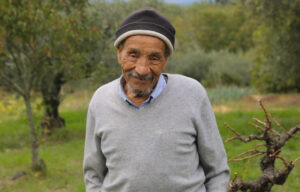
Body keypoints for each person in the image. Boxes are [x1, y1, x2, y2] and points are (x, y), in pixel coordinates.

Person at [83, 8, 230, 192]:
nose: (142, 69)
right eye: (133, 55)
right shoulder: (101, 100)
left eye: (154, 58)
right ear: (119, 53)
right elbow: (93, 175)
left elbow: (217, 171)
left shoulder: (192, 94)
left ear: (165, 60)